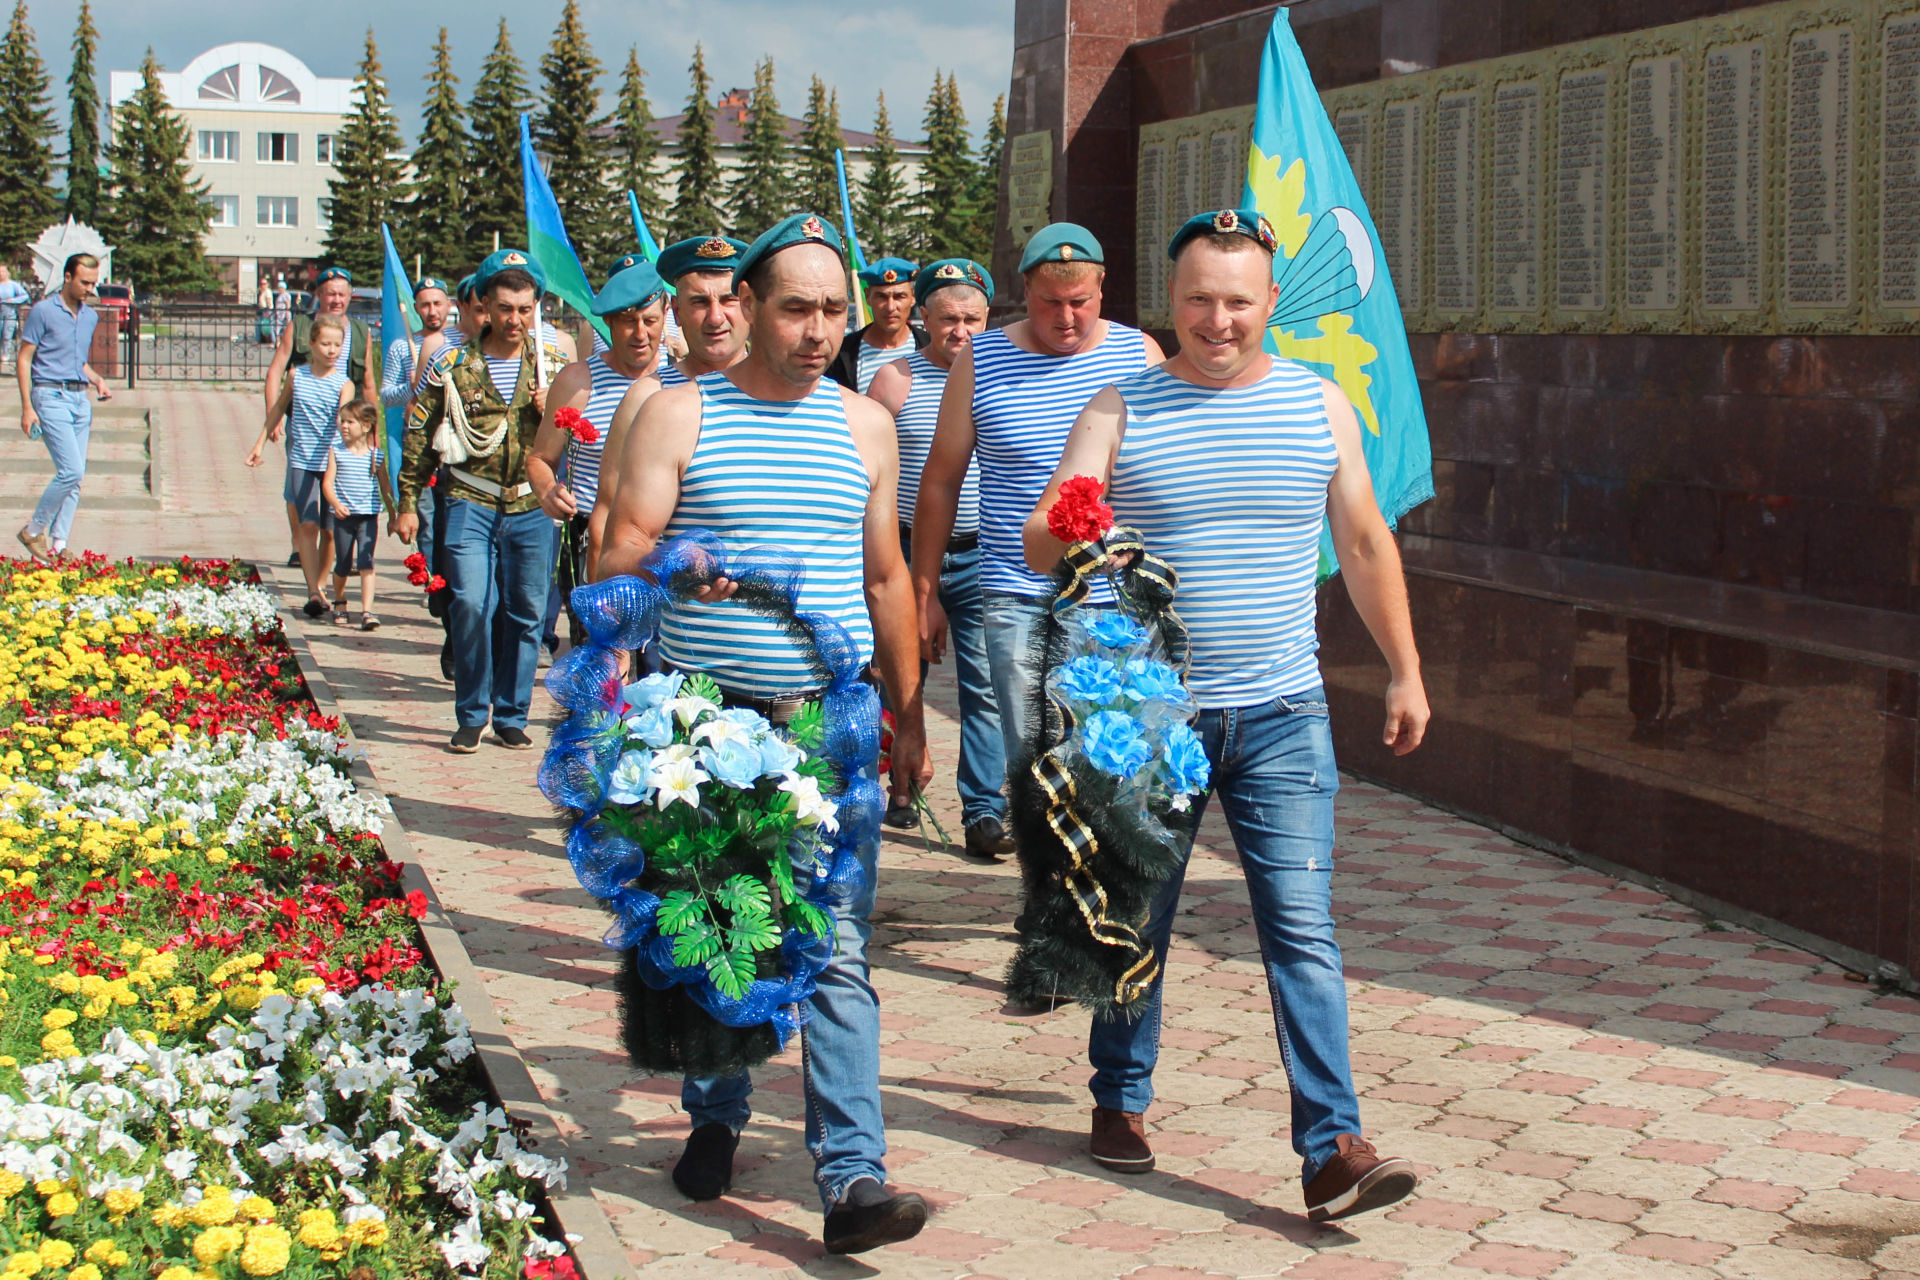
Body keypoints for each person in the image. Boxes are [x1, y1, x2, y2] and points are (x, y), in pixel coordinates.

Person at [1022, 209, 1431, 1223]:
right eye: (1200, 299)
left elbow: (1368, 543)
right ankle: (1119, 1094)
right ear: (1172, 302)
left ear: (1270, 305)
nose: (1219, 319)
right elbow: (1042, 534)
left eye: (1238, 301)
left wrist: (1405, 670)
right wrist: (1079, 528)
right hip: (1154, 719)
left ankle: (1332, 1142)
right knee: (1141, 914)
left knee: (1300, 926)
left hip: (1286, 711)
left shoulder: (1318, 406)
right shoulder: (1120, 407)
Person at [597, 213, 931, 1256]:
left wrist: (909, 712)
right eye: (798, 307)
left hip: (829, 727)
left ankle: (853, 1177)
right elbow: (621, 548)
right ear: (744, 307)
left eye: (835, 309)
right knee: (730, 933)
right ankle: (715, 1109)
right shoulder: (680, 413)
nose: (821, 327)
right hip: (709, 725)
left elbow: (885, 576)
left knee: (836, 947)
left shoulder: (866, 424)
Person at [911, 223, 1164, 805]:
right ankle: (1054, 884)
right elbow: (941, 481)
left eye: (1080, 302)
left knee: (1119, 760)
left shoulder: (1139, 354)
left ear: (1103, 288)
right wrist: (925, 591)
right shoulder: (981, 358)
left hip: (1116, 599)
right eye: (1051, 302)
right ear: (1024, 290)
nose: (1067, 317)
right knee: (1038, 759)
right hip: (1018, 596)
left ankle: (1111, 887)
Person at [866, 258, 1011, 860]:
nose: (963, 332)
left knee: (986, 685)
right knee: (898, 677)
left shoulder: (1003, 373)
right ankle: (896, 789)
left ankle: (983, 809)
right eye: (949, 319)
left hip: (982, 554)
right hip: (903, 551)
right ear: (922, 317)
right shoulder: (894, 381)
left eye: (974, 319)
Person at [396, 249, 566, 755]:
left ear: (536, 308)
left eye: (525, 309)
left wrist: (553, 408)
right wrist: (407, 500)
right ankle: (472, 713)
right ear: (484, 308)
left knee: (528, 613)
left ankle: (512, 715)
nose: (516, 320)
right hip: (470, 499)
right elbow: (419, 432)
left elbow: (585, 436)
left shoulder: (554, 367)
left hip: (531, 506)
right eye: (506, 308)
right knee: (470, 603)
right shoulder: (452, 365)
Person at [526, 253, 668, 641]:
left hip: (667, 546)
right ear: (608, 322)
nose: (640, 333)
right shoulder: (579, 380)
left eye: (650, 321)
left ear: (666, 312)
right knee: (601, 669)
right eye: (627, 322)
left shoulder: (685, 378)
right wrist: (547, 490)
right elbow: (541, 458)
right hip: (593, 539)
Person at [591, 235, 749, 524]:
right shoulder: (645, 398)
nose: (715, 317)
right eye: (700, 302)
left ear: (750, 304)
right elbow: (607, 513)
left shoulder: (782, 394)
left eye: (729, 300)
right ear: (676, 311)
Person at [245, 312, 353, 616]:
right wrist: (259, 444)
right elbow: (279, 407)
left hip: (333, 464)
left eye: (337, 345)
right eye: (326, 344)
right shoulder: (297, 376)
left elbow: (347, 420)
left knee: (330, 531)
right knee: (308, 525)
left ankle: (321, 583)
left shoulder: (344, 384)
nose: (331, 351)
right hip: (302, 461)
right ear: (312, 344)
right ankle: (313, 591)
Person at [15, 253, 112, 564]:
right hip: (49, 396)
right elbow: (25, 358)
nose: (89, 288)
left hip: (79, 399)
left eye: (93, 283)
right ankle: (34, 529)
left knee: (75, 476)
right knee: (71, 470)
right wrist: (27, 407)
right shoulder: (43, 312)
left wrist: (97, 379)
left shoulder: (89, 316)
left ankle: (58, 545)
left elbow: (75, 361)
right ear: (67, 277)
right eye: (84, 282)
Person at [381, 276, 465, 587]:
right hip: (421, 442)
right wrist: (413, 386)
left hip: (457, 444)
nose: (432, 311)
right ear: (416, 308)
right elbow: (387, 395)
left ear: (449, 305)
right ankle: (432, 579)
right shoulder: (404, 346)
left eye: (437, 303)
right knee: (427, 517)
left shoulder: (457, 343)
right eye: (425, 305)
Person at [323, 398, 397, 631]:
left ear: (366, 426)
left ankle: (367, 610)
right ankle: (340, 600)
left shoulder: (376, 455)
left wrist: (393, 515)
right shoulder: (337, 452)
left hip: (368, 516)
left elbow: (385, 487)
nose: (344, 426)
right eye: (342, 421)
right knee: (343, 563)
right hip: (344, 518)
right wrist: (335, 503)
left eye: (350, 422)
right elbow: (327, 484)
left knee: (367, 562)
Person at [827, 257, 926, 393]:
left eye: (899, 296)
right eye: (882, 297)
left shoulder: (930, 346)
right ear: (868, 297)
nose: (890, 307)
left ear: (913, 297)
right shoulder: (843, 353)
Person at [0, 266, 30, 367]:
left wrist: (12, 300)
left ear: (7, 273)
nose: (1, 273)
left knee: (7, 334)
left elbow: (24, 296)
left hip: (10, 311)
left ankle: (5, 355)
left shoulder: (13, 285)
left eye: (3, 271)